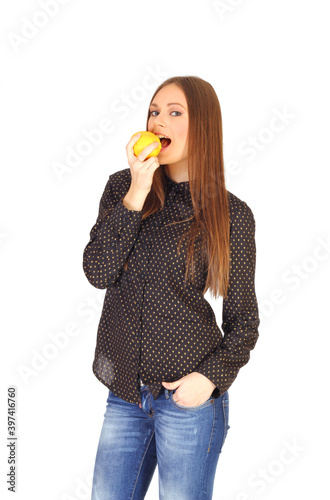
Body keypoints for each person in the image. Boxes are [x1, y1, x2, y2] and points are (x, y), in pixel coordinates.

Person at [83, 76, 260, 500]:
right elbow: (97, 272)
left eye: (175, 112)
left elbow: (244, 321)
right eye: (154, 111)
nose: (159, 121)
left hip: (190, 400)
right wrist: (137, 190)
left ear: (203, 126)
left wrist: (209, 378)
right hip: (125, 394)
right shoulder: (121, 189)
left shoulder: (230, 213)